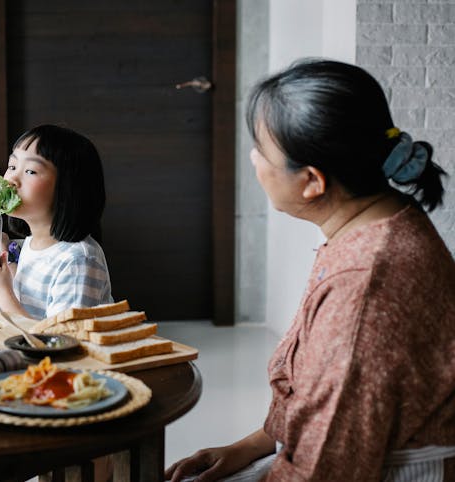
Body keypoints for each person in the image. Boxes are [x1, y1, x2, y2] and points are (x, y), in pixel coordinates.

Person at [166, 59, 455, 481]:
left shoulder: (365, 287)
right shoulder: (380, 220)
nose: (252, 157)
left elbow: (325, 470)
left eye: (261, 150)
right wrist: (247, 448)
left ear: (311, 182)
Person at [0, 124, 113, 320]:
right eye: (12, 166)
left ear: (67, 191)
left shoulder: (79, 261)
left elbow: (61, 342)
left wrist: (3, 293)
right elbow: (35, 288)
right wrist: (6, 249)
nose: (11, 180)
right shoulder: (33, 243)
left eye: (31, 171)